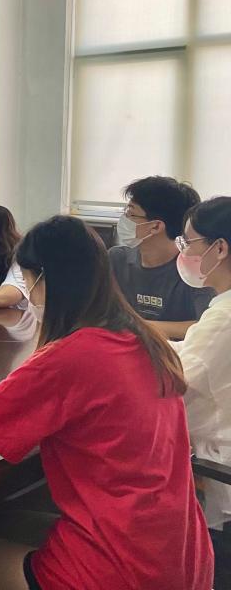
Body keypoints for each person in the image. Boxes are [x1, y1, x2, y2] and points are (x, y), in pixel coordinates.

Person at [0, 215, 213, 590]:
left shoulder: (70, 356)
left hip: (123, 567)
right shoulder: (143, 337)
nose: (28, 292)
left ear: (45, 279)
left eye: (27, 279)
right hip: (182, 551)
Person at [174, 196, 231, 587]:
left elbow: (172, 382)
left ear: (220, 248)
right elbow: (192, 356)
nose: (185, 253)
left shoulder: (225, 317)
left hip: (214, 469)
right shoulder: (220, 309)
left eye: (189, 242)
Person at [109, 176, 213, 339]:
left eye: (131, 214)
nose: (124, 219)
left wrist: (138, 326)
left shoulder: (197, 269)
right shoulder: (116, 259)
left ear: (155, 226)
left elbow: (206, 326)